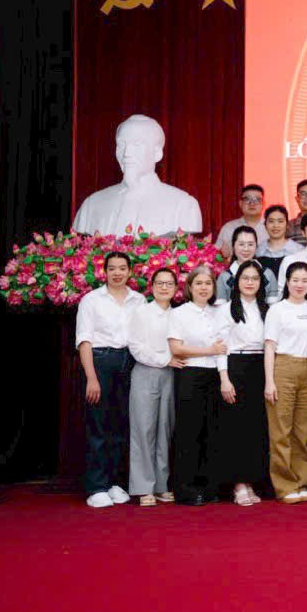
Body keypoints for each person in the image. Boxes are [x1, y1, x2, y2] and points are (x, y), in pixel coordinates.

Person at [76, 251, 145, 508]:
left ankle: (114, 483)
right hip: (101, 362)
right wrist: (91, 378)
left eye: (122, 268)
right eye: (112, 268)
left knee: (121, 425)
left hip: (130, 362)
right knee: (99, 425)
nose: (117, 273)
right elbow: (84, 340)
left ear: (130, 271)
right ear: (104, 272)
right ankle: (97, 487)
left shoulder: (139, 300)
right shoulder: (91, 300)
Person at [71, 114, 202, 236]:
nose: (126, 153)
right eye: (121, 144)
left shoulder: (183, 206)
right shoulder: (91, 205)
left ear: (157, 153)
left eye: (137, 144)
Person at [167, 264, 226, 506]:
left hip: (214, 375)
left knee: (211, 431)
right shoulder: (179, 313)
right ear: (190, 287)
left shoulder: (219, 311)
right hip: (190, 374)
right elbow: (176, 348)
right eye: (198, 283)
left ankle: (208, 487)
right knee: (189, 431)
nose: (204, 288)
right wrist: (209, 350)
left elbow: (224, 346)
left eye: (208, 283)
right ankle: (185, 489)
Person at [214, 260, 270, 507]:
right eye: (245, 278)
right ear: (237, 282)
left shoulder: (267, 309)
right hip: (236, 367)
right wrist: (224, 378)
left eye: (255, 279)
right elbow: (221, 347)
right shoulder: (226, 309)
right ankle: (238, 484)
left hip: (260, 368)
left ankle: (252, 480)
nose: (250, 283)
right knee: (236, 427)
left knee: (256, 428)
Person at [263, 262, 307, 504]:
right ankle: (284, 486)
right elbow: (269, 346)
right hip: (283, 367)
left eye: (304, 280)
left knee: (302, 430)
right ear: (287, 282)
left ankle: (301, 482)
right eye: (295, 280)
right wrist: (269, 381)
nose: (299, 285)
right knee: (281, 430)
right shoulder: (277, 310)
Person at [126, 266, 180, 506]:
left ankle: (161, 485)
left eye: (169, 284)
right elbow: (136, 346)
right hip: (146, 372)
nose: (164, 287)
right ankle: (143, 487)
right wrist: (164, 359)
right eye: (160, 283)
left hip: (171, 374)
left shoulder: (178, 314)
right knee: (144, 430)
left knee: (165, 430)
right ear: (152, 287)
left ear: (176, 288)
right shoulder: (141, 312)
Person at [216, 225, 279, 303]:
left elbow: (273, 307)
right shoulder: (224, 277)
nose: (246, 249)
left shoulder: (267, 274)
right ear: (233, 246)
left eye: (250, 244)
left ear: (256, 246)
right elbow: (220, 308)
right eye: (241, 244)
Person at [215, 184, 266, 256]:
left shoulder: (271, 228)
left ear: (263, 204)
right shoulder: (229, 228)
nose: (252, 203)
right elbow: (216, 255)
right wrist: (222, 255)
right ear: (240, 203)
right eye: (247, 199)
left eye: (257, 200)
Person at [256, 205, 302, 286]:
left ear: (287, 225)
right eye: (271, 221)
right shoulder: (258, 251)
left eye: (280, 221)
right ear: (265, 225)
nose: (275, 225)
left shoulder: (298, 250)